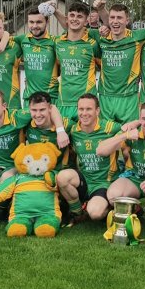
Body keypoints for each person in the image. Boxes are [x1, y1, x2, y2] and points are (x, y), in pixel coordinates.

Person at [57, 94, 121, 223]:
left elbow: (131, 130)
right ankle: (77, 212)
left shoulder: (110, 128)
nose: (84, 113)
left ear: (97, 111)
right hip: (84, 181)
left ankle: (110, 205)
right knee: (62, 177)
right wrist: (60, 131)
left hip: (103, 183)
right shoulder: (73, 130)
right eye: (81, 109)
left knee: (95, 214)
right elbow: (50, 110)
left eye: (89, 109)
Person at [97, 3, 145, 122]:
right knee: (107, 132)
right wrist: (101, 9)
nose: (115, 21)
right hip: (105, 97)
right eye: (112, 17)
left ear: (127, 20)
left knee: (129, 132)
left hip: (129, 97)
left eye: (119, 18)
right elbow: (72, 29)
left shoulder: (138, 36)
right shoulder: (101, 37)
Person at [52, 2, 100, 120]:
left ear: (86, 21)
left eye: (79, 16)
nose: (75, 19)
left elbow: (105, 68)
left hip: (86, 104)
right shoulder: (58, 43)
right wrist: (54, 10)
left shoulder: (92, 44)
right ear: (67, 19)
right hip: (63, 102)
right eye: (72, 15)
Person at [16, 6, 59, 105]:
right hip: (29, 98)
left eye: (39, 22)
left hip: (51, 98)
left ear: (47, 22)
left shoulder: (55, 41)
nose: (34, 26)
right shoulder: (22, 40)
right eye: (31, 22)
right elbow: (1, 36)